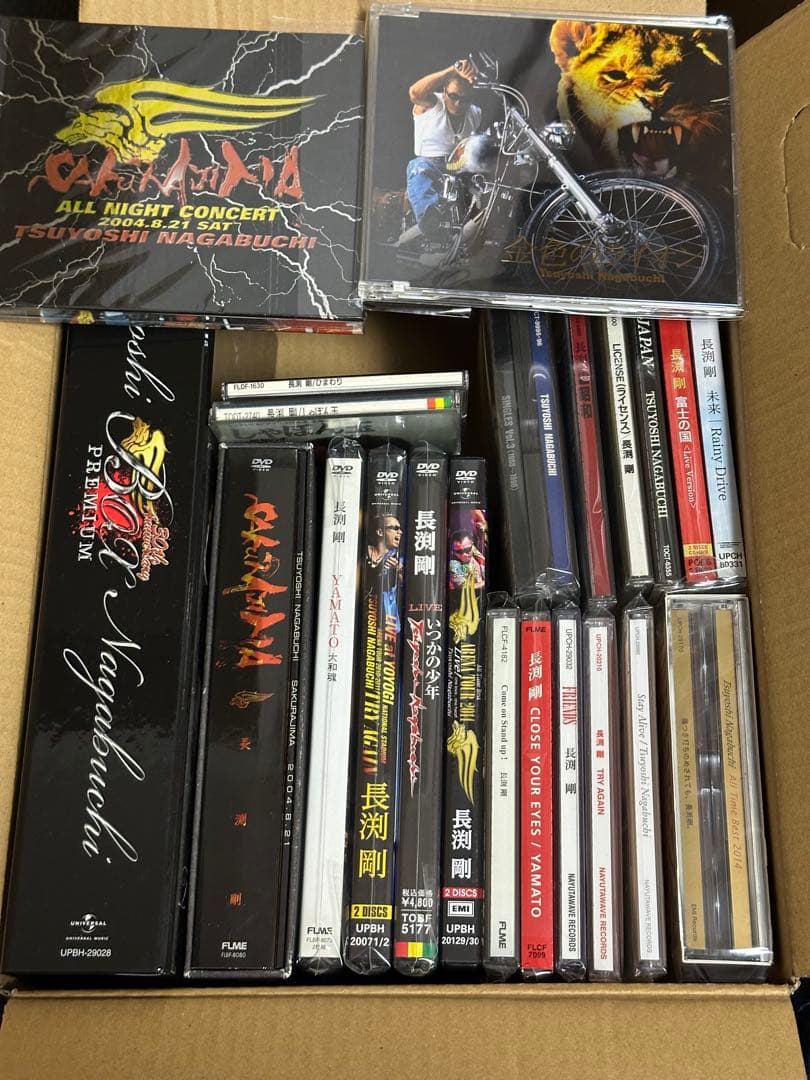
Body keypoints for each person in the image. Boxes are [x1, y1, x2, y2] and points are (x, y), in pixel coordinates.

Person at [406, 59, 482, 237]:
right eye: (453, 96)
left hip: (460, 170)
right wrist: (452, 70)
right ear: (444, 91)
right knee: (417, 166)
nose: (458, 104)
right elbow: (414, 93)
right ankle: (431, 221)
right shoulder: (432, 104)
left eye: (465, 99)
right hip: (431, 166)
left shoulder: (475, 113)